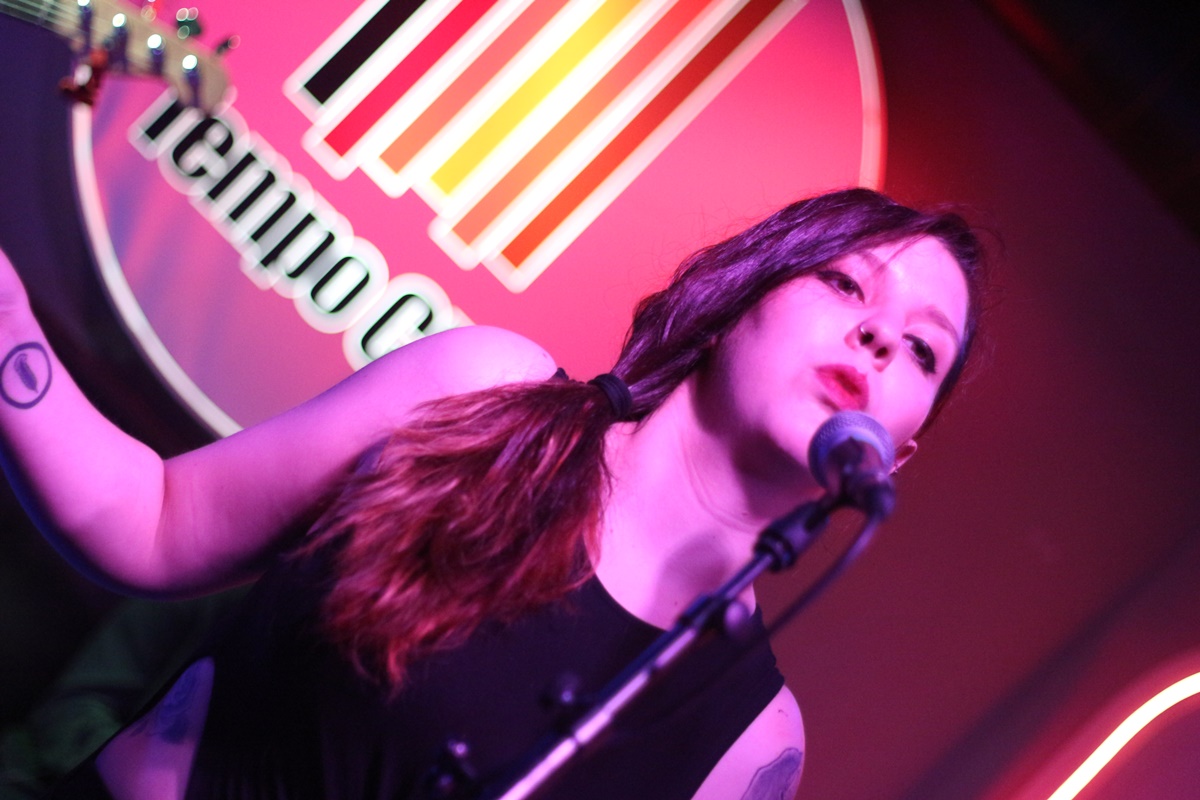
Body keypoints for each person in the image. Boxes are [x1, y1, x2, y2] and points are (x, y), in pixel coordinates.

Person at [0, 187, 984, 800]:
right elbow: (150, 522)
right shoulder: (484, 396)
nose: (879, 337)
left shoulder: (755, 743)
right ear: (738, 300)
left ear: (898, 452)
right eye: (847, 286)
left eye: (923, 349)